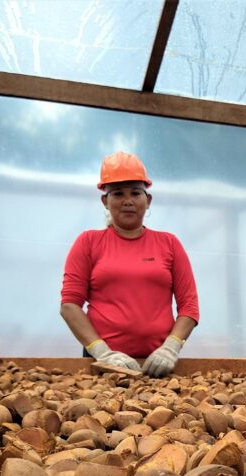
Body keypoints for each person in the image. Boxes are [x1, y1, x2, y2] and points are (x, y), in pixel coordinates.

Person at [60, 151, 199, 377]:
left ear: (148, 200)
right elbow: (69, 305)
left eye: (135, 193)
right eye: (117, 194)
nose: (128, 201)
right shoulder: (89, 242)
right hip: (102, 365)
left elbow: (189, 305)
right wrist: (103, 353)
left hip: (158, 365)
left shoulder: (169, 243)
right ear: (105, 201)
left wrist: (171, 348)